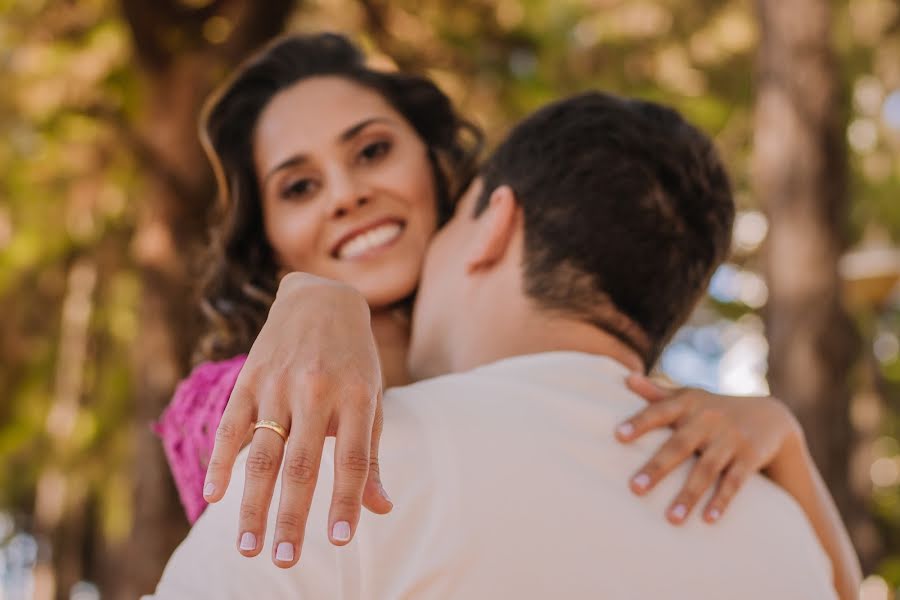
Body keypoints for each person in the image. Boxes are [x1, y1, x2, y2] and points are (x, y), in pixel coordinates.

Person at [154, 33, 857, 595]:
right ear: (268, 242)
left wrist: (784, 438)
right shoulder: (240, 403)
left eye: (372, 151)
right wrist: (317, 298)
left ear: (444, 178)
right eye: (299, 187)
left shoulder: (590, 391)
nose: (346, 195)